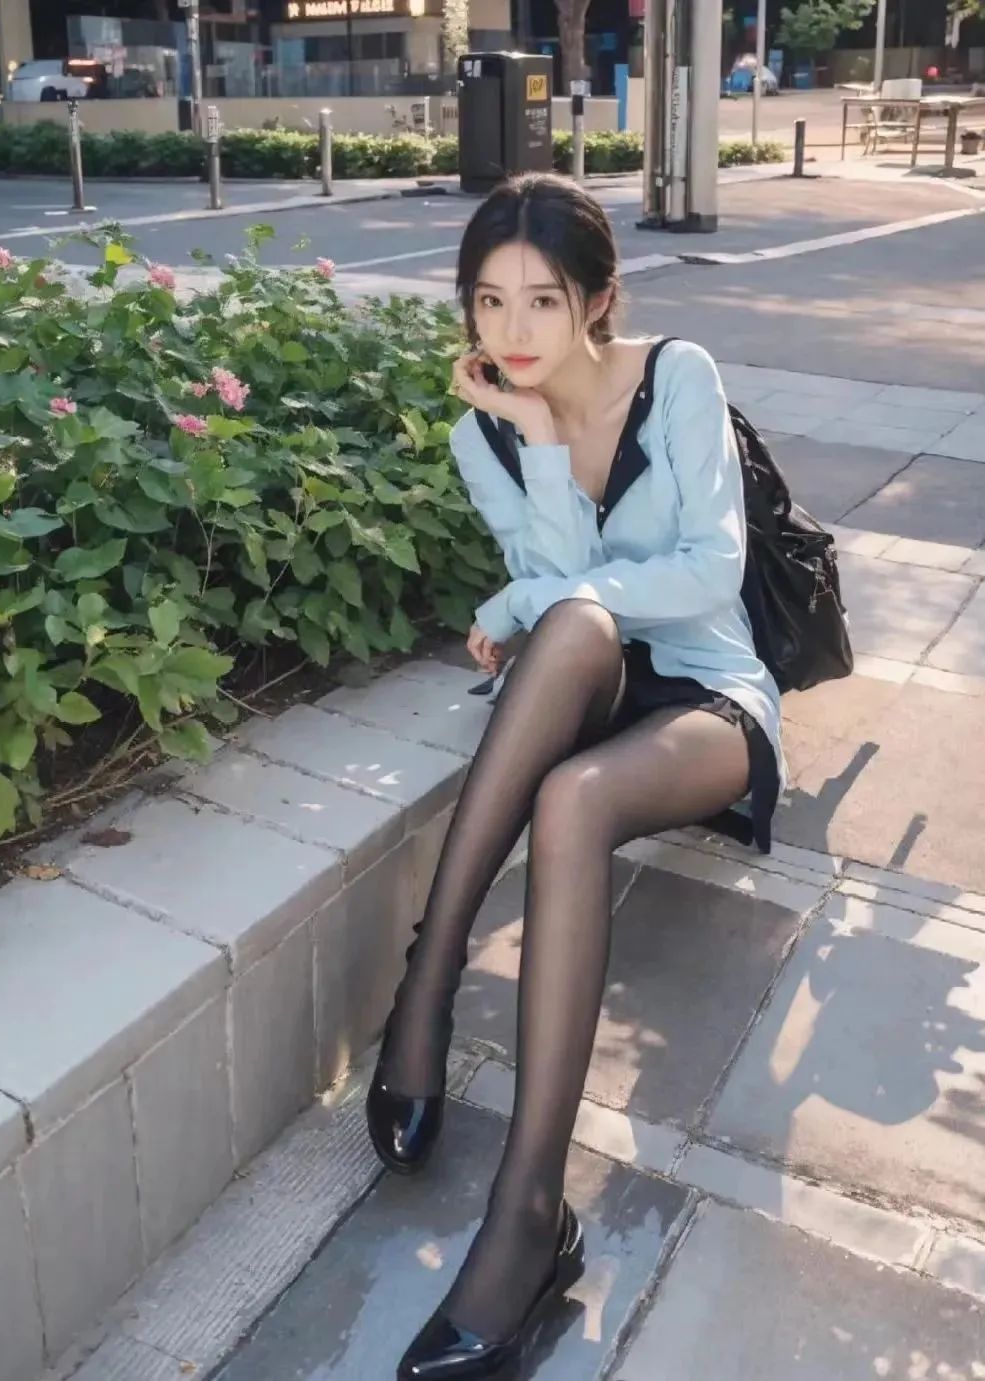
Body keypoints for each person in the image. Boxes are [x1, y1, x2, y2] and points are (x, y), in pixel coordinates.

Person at [366, 172, 785, 1380]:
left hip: (703, 693)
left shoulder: (677, 378)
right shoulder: (483, 433)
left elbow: (706, 571)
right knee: (576, 629)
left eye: (541, 300)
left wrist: (521, 600)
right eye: (487, 300)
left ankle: (523, 1212)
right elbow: (563, 602)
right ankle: (429, 988)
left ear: (598, 299)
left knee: (573, 793)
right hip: (586, 677)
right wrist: (541, 448)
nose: (511, 331)